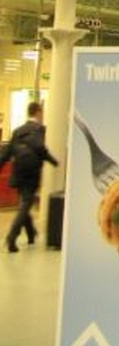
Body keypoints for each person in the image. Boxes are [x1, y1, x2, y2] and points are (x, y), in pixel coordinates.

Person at [0, 101, 58, 253]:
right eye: (42, 112)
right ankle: (12, 236)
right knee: (26, 203)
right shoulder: (39, 129)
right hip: (31, 172)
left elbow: (8, 151)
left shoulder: (18, 130)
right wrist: (54, 162)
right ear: (38, 112)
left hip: (18, 171)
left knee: (25, 202)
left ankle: (31, 233)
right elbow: (40, 148)